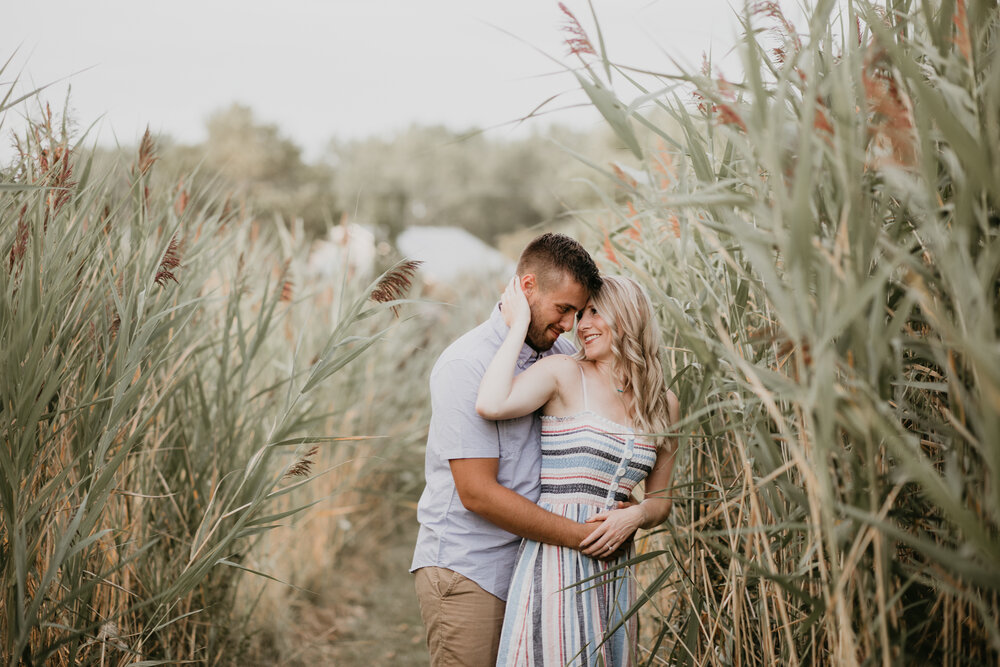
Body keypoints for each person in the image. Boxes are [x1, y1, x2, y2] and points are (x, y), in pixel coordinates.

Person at [411, 233, 604, 666]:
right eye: (563, 309)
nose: (570, 325)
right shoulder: (468, 365)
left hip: (536, 568)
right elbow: (477, 493)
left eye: (578, 312)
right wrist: (581, 536)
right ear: (527, 287)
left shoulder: (559, 359)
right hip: (470, 571)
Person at [476, 274, 680, 666]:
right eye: (580, 314)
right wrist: (519, 325)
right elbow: (491, 403)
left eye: (595, 312)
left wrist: (634, 516)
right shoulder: (564, 373)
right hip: (555, 558)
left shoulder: (663, 403)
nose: (581, 325)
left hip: (616, 563)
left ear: (628, 316)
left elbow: (661, 501)